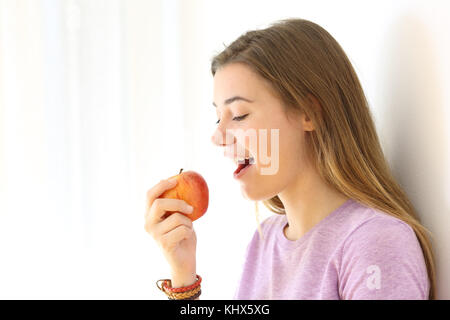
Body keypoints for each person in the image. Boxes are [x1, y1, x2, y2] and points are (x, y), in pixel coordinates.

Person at [145, 18, 435, 300]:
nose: (218, 137)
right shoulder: (265, 240)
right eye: (218, 118)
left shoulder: (375, 242)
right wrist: (183, 278)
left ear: (309, 113)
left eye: (240, 115)